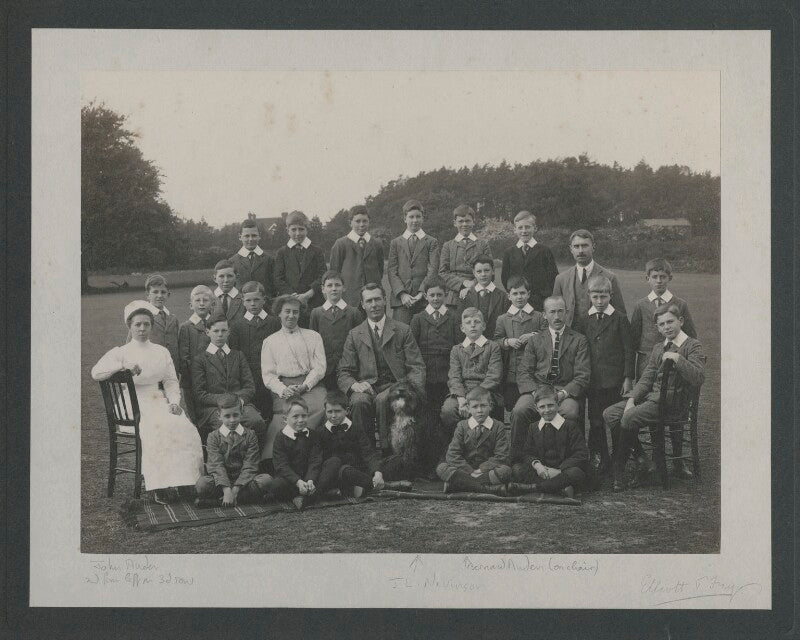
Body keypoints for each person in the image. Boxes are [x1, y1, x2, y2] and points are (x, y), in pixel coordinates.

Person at [91, 301, 203, 503]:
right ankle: (158, 486)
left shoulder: (161, 351)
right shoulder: (121, 352)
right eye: (137, 325)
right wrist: (122, 367)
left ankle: (185, 481)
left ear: (152, 326)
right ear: (130, 326)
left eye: (146, 324)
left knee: (184, 427)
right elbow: (96, 372)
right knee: (156, 430)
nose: (142, 329)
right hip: (131, 406)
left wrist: (174, 401)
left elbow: (170, 381)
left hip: (157, 400)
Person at [603, 303, 705, 491]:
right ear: (657, 328)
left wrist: (678, 359)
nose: (666, 327)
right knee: (610, 414)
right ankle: (643, 461)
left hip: (673, 404)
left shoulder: (692, 345)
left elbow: (698, 377)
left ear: (680, 321)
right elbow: (647, 378)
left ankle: (618, 470)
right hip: (652, 399)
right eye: (662, 324)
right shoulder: (659, 347)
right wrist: (632, 399)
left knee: (628, 417)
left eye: (670, 322)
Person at [337, 283, 426, 451]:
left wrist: (408, 389)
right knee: (358, 401)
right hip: (367, 386)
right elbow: (344, 371)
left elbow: (417, 367)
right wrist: (355, 385)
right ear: (363, 305)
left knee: (383, 400)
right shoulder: (355, 334)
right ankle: (366, 454)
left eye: (378, 299)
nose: (374, 305)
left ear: (385, 301)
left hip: (397, 386)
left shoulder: (402, 330)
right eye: (369, 301)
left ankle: (388, 453)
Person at [510, 295, 590, 462]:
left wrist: (562, 394)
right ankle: (518, 460)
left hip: (563, 390)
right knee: (520, 411)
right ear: (544, 315)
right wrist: (535, 393)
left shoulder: (579, 339)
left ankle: (565, 461)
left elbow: (582, 375)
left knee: (569, 412)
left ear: (567, 313)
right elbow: (524, 371)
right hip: (538, 389)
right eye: (552, 312)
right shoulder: (536, 339)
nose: (557, 316)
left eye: (561, 311)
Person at [574, 275, 634, 475]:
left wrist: (627, 378)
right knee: (596, 422)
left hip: (615, 381)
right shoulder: (583, 319)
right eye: (596, 297)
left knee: (615, 421)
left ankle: (619, 461)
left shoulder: (620, 318)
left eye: (604, 297)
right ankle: (601, 459)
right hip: (593, 382)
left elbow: (628, 350)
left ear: (611, 295)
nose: (600, 302)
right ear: (589, 295)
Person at [260, 295, 327, 460]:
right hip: (284, 388)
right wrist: (283, 390)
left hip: (310, 385)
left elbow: (319, 367)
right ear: (279, 314)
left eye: (295, 312)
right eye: (287, 312)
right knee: (286, 415)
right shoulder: (270, 341)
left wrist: (306, 385)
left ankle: (310, 455)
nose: (291, 316)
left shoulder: (313, 336)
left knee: (319, 408)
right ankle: (278, 459)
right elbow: (268, 375)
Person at [409, 277, 464, 474]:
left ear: (446, 295)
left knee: (447, 417)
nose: (435, 298)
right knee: (429, 420)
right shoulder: (418, 319)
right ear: (425, 296)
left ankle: (449, 458)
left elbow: (459, 348)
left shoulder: (454, 317)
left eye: (439, 295)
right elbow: (412, 350)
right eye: (431, 295)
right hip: (427, 377)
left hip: (449, 375)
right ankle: (429, 464)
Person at [191, 313, 267, 448]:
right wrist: (225, 402)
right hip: (214, 408)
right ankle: (229, 465)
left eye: (223, 331)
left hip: (240, 404)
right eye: (216, 331)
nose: (220, 335)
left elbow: (249, 387)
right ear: (208, 332)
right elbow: (200, 394)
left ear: (229, 332)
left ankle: (254, 460)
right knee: (224, 426)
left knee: (256, 421)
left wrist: (238, 401)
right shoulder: (200, 359)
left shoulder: (238, 355)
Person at [508, 385, 588, 498]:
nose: (547, 410)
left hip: (562, 472)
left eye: (550, 405)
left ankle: (534, 488)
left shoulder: (570, 426)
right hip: (542, 472)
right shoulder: (533, 427)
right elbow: (527, 453)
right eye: (542, 407)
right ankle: (559, 489)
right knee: (517, 469)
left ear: (558, 405)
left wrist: (559, 471)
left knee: (576, 473)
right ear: (536, 408)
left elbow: (581, 454)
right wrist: (537, 465)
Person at [440, 307, 504, 448]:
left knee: (482, 408)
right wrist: (461, 398)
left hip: (486, 391)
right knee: (448, 410)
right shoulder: (457, 349)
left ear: (484, 326)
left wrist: (471, 399)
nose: (473, 325)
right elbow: (454, 377)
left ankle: (485, 448)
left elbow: (494, 377)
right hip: (462, 393)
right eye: (468, 322)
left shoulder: (492, 347)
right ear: (462, 328)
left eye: (477, 321)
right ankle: (456, 446)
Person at [195, 394, 272, 507]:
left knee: (266, 480)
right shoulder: (213, 437)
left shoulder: (250, 435)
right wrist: (226, 489)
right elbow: (216, 465)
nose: (232, 420)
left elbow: (250, 465)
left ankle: (221, 501)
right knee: (202, 484)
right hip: (221, 482)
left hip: (244, 482)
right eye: (227, 416)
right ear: (219, 416)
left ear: (242, 413)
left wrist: (235, 490)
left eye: (235, 415)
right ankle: (239, 498)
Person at [630, 258, 698, 379]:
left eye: (663, 277)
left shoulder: (680, 304)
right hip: (646, 365)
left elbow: (691, 336)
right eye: (654, 277)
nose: (659, 281)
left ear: (669, 278)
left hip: (672, 364)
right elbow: (632, 342)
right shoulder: (640, 305)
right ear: (647, 279)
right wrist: (629, 377)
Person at [436, 386, 511, 495]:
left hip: (487, 471)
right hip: (465, 470)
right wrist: (470, 471)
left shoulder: (498, 426)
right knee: (442, 468)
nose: (479, 410)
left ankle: (459, 485)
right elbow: (452, 454)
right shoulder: (462, 426)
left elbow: (502, 455)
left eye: (483, 406)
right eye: (475, 407)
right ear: (469, 408)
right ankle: (487, 488)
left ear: (490, 406)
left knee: (505, 471)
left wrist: (481, 470)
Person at [264, 398, 336, 511]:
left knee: (333, 462)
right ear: (285, 419)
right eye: (295, 417)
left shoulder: (312, 435)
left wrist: (310, 480)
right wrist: (298, 482)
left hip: (311, 477)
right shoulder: (280, 437)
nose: (301, 420)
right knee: (276, 485)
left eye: (304, 416)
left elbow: (315, 460)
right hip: (292, 480)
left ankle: (306, 495)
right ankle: (314, 494)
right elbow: (281, 465)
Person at [228, 281, 281, 425]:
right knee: (254, 415)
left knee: (272, 412)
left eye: (256, 299)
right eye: (248, 300)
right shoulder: (237, 326)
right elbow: (235, 355)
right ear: (243, 302)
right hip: (249, 377)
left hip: (273, 375)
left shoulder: (275, 322)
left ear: (264, 300)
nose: (253, 304)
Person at [494, 275, 549, 413]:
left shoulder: (539, 317)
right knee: (513, 409)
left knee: (532, 408)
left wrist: (533, 336)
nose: (519, 297)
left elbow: (548, 337)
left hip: (534, 373)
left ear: (528, 294)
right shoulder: (502, 319)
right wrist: (507, 342)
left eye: (522, 293)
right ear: (508, 296)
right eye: (515, 293)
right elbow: (496, 341)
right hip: (511, 374)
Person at [552, 229, 626, 328]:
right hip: (571, 336)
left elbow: (620, 315)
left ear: (593, 247)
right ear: (571, 249)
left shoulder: (609, 277)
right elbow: (554, 310)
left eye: (585, 245)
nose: (580, 251)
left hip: (598, 336)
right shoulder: (561, 279)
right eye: (576, 246)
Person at [316, 390, 385, 498]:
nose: (333, 416)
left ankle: (365, 484)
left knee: (393, 462)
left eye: (337, 411)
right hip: (336, 472)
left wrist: (377, 472)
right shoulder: (321, 432)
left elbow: (367, 452)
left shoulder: (356, 428)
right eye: (330, 412)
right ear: (325, 411)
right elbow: (319, 459)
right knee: (343, 469)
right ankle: (369, 485)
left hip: (357, 469)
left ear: (347, 411)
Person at [387, 199, 440, 325]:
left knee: (424, 335)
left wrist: (422, 292)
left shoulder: (431, 242)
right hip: (401, 300)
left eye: (418, 217)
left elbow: (433, 269)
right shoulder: (396, 243)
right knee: (400, 335)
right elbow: (391, 271)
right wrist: (402, 294)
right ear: (405, 218)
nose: (415, 220)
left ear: (423, 218)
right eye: (411, 217)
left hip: (424, 299)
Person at [309, 270, 363, 391]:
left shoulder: (353, 313)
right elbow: (312, 343)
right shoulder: (316, 313)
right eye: (329, 285)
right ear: (323, 289)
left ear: (344, 288)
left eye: (337, 285)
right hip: (325, 368)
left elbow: (359, 343)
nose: (334, 289)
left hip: (348, 367)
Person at [273, 210, 327, 328]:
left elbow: (322, 275)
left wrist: (307, 295)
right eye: (294, 229)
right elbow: (278, 278)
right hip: (290, 303)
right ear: (288, 231)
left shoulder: (317, 251)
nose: (298, 233)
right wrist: (293, 296)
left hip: (313, 302)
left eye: (301, 229)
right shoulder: (282, 252)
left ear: (307, 230)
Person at [328, 205, 384, 310]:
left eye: (365, 221)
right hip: (349, 299)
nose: (361, 225)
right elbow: (334, 273)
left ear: (369, 222)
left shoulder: (376, 244)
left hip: (372, 300)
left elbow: (380, 270)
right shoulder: (341, 244)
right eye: (357, 221)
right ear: (350, 223)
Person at [500, 211, 558, 311]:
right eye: (520, 227)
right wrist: (516, 295)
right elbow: (505, 278)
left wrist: (544, 297)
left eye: (527, 227)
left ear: (535, 228)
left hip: (540, 303)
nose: (524, 231)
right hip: (517, 302)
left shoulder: (544, 251)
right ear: (515, 230)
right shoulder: (509, 253)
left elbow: (553, 277)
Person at [438, 204, 492, 308]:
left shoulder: (483, 245)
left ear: (473, 222)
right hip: (454, 297)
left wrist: (473, 285)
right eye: (460, 221)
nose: (464, 224)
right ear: (454, 223)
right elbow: (443, 273)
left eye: (467, 221)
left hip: (479, 293)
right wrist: (464, 283)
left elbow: (490, 271)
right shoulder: (448, 246)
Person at [178, 285, 215, 422]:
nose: (201, 303)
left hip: (215, 378)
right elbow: (184, 358)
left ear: (212, 303)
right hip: (193, 381)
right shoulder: (186, 327)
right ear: (190, 305)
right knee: (196, 416)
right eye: (197, 300)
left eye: (205, 300)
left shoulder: (217, 324)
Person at [130, 274, 180, 372]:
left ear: (168, 295)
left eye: (163, 292)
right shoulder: (140, 317)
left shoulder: (173, 319)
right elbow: (130, 345)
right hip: (148, 370)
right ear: (148, 295)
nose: (160, 296)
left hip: (171, 370)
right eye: (155, 292)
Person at [457, 254, 509, 339]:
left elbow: (506, 325)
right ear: (474, 273)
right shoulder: (466, 296)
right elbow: (460, 324)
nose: (483, 274)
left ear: (493, 271)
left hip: (495, 344)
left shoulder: (503, 297)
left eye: (486, 270)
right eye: (479, 271)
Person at [229, 217, 277, 307]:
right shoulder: (232, 261)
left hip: (265, 308)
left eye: (254, 235)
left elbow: (274, 288)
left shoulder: (269, 259)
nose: (250, 239)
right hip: (241, 309)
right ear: (240, 237)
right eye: (247, 236)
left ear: (259, 236)